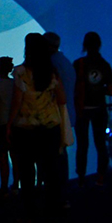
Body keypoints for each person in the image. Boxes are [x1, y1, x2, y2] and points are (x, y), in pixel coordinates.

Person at [8, 33, 67, 223]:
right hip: (50, 128)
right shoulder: (52, 72)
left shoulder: (21, 72)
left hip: (25, 129)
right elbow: (62, 99)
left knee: (27, 173)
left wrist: (9, 124)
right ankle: (53, 212)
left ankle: (29, 214)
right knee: (51, 172)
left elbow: (17, 101)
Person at [73, 32, 112, 187]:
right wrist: (98, 89)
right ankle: (101, 177)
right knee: (100, 144)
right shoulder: (105, 65)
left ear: (85, 45)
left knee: (82, 145)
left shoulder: (78, 64)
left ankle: (81, 178)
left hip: (82, 110)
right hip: (99, 109)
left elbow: (72, 87)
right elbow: (111, 91)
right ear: (99, 45)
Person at [44, 31, 75, 195]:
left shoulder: (52, 63)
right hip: (67, 114)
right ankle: (62, 189)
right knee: (61, 153)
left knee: (55, 155)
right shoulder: (65, 62)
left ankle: (57, 191)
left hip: (55, 116)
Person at [0, 56, 17, 196]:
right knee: (15, 155)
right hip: (14, 123)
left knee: (2, 156)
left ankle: (4, 186)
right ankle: (16, 184)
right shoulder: (15, 84)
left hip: (0, 123)